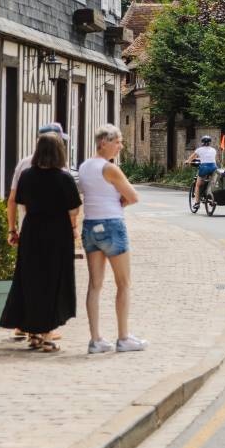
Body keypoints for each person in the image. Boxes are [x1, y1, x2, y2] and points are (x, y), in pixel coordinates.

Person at [0, 133, 81, 352]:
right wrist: (73, 227)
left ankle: (32, 333)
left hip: (32, 231)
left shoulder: (27, 175)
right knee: (53, 280)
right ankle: (46, 335)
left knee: (30, 280)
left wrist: (13, 229)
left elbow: (20, 201)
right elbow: (73, 208)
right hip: (57, 233)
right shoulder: (64, 178)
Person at [78, 124, 146, 354]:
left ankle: (95, 339)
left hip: (90, 226)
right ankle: (123, 337)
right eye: (117, 142)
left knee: (94, 285)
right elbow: (133, 196)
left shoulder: (85, 166)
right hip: (112, 225)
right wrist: (122, 201)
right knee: (124, 283)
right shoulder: (110, 169)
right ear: (103, 143)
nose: (120, 146)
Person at [186, 136, 218, 203]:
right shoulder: (213, 150)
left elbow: (192, 157)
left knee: (198, 185)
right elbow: (211, 158)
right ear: (210, 142)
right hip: (214, 167)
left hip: (204, 168)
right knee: (212, 182)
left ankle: (197, 203)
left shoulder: (199, 150)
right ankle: (210, 193)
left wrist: (188, 161)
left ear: (202, 142)